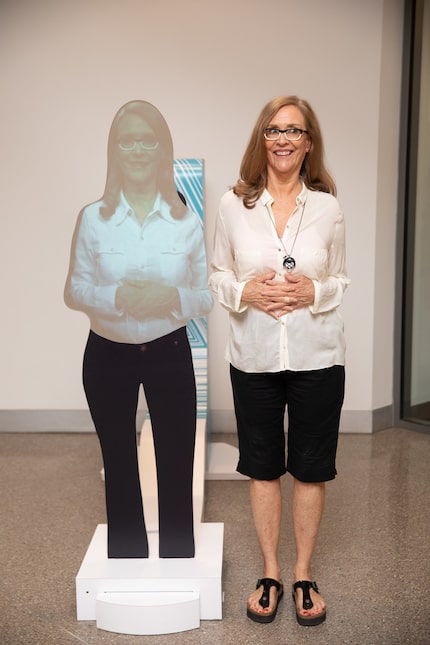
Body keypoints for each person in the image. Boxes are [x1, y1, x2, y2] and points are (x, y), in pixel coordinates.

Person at [209, 95, 349, 625]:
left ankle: (303, 573)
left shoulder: (329, 207)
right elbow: (217, 273)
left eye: (294, 130)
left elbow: (341, 279)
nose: (283, 139)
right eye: (273, 130)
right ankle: (270, 572)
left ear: (308, 142)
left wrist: (314, 290)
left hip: (318, 356)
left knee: (311, 469)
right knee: (263, 467)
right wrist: (246, 292)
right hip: (254, 358)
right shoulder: (232, 205)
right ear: (261, 140)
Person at [65, 100, 212, 559]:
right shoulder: (93, 218)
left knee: (175, 460)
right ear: (115, 150)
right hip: (108, 354)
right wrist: (118, 298)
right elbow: (74, 290)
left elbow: (205, 296)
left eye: (148, 140)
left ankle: (177, 553)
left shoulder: (186, 221)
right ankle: (126, 553)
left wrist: (170, 298)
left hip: (170, 351)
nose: (138, 149)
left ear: (163, 149)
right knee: (119, 461)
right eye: (127, 140)